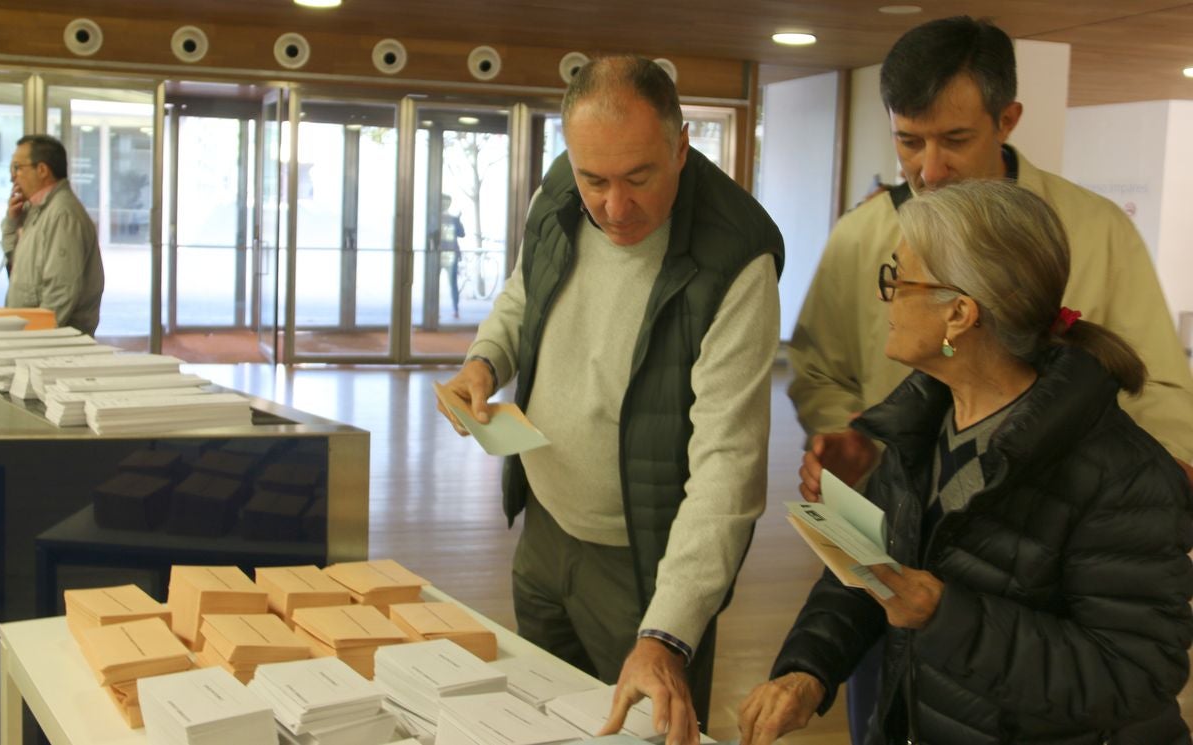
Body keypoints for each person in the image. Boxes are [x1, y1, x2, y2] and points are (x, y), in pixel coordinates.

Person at [739, 179, 1193, 745]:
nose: (886, 298)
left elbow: (1137, 675)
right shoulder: (920, 426)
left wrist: (944, 614)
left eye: (899, 280)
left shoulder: (1122, 476)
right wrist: (806, 671)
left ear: (959, 315)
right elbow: (870, 572)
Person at [436, 55, 783, 744]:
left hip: (643, 562)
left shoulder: (736, 258)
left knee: (641, 733)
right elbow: (523, 291)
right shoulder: (561, 190)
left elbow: (728, 472)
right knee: (538, 723)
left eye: (639, 178)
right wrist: (485, 360)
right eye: (595, 179)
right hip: (543, 529)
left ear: (682, 145)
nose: (614, 208)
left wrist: (667, 631)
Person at [790, 16, 1193, 500]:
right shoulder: (858, 237)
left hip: (1048, 519)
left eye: (956, 140)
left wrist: (1167, 473)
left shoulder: (1097, 229)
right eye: (910, 142)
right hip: (892, 512)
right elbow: (818, 371)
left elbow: (1156, 386)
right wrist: (852, 439)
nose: (930, 170)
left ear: (1007, 120)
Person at [0, 134, 103, 335]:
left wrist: (34, 339)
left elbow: (60, 290)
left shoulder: (62, 215)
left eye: (18, 167)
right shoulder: (36, 211)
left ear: (42, 170)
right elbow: (15, 265)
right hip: (30, 337)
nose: (13, 176)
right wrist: (12, 224)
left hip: (50, 346)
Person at [437, 194, 467, 319]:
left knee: (453, 283)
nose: (446, 205)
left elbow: (462, 234)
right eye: (444, 202)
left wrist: (458, 220)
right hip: (438, 254)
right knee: (436, 284)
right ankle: (435, 311)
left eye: (447, 202)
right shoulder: (435, 218)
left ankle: (455, 310)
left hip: (450, 255)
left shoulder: (453, 219)